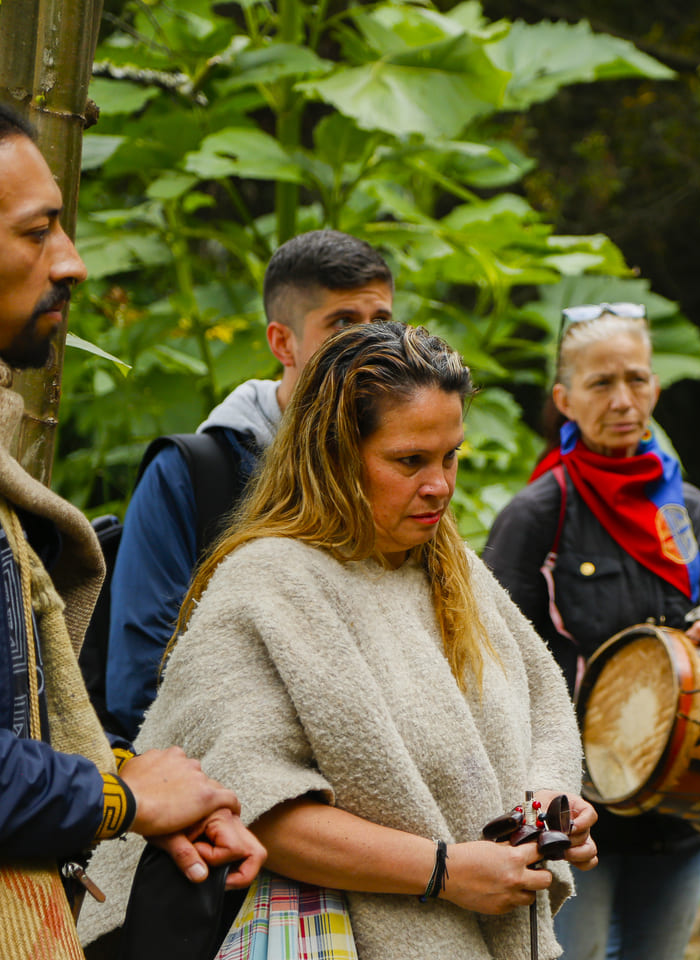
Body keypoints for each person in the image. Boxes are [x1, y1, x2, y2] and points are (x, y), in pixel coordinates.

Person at [78, 321, 596, 958]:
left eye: (450, 456)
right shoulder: (267, 582)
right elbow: (244, 803)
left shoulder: (452, 567)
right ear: (335, 454)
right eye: (410, 461)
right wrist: (445, 871)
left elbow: (544, 707)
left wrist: (549, 809)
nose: (440, 485)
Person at [0, 102, 263, 956]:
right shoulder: (195, 470)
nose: (71, 263)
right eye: (37, 233)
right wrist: (122, 797)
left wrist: (128, 782)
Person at [483, 302, 700, 960]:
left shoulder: (693, 514)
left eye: (636, 378)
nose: (623, 399)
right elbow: (495, 667)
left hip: (677, 803)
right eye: (601, 384)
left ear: (655, 386)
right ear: (565, 399)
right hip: (573, 805)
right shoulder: (536, 517)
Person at [106, 228, 394, 739]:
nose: (370, 344)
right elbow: (141, 682)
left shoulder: (404, 471)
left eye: (382, 322)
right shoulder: (192, 474)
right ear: (283, 341)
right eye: (343, 323)